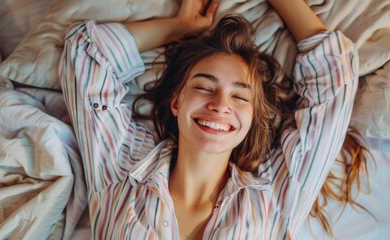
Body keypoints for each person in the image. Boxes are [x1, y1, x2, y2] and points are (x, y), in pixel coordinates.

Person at [60, 0, 369, 239]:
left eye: (239, 96)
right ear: (177, 101)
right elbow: (88, 52)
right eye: (204, 87)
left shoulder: (275, 196)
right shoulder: (121, 169)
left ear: (252, 118)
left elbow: (334, 84)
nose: (220, 104)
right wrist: (178, 26)